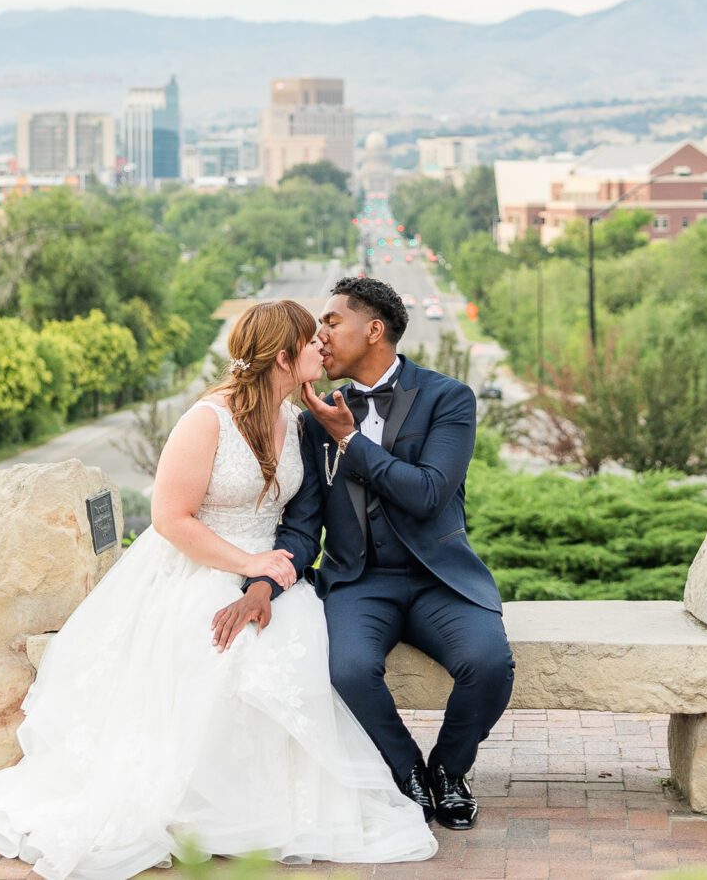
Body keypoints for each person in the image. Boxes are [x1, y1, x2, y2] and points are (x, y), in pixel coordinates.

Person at [0, 299, 438, 880]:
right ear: (282, 356)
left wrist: (264, 579)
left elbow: (300, 523)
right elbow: (171, 519)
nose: (323, 347)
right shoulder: (208, 419)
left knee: (290, 644)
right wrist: (246, 562)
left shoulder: (297, 421)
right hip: (193, 567)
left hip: (265, 578)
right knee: (218, 650)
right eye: (310, 340)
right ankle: (194, 805)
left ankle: (267, 803)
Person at [210, 274, 514, 831]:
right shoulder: (313, 417)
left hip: (436, 578)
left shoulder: (449, 399)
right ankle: (407, 773)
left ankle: (449, 770)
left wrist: (351, 440)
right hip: (358, 582)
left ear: (374, 330)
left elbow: (426, 494)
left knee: (490, 664)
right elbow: (302, 528)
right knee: (348, 668)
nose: (319, 335)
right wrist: (263, 583)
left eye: (330, 322)